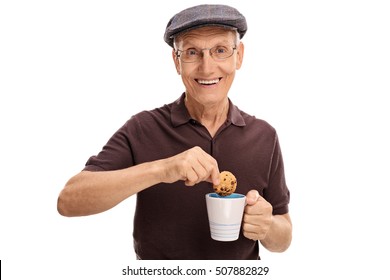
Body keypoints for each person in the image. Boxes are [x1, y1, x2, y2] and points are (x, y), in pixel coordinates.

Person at [57, 4, 292, 260]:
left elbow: (284, 236)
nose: (207, 67)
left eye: (220, 50)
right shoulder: (143, 128)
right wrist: (163, 169)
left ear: (239, 56)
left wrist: (266, 225)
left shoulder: (264, 135)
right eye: (192, 52)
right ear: (176, 61)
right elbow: (69, 201)